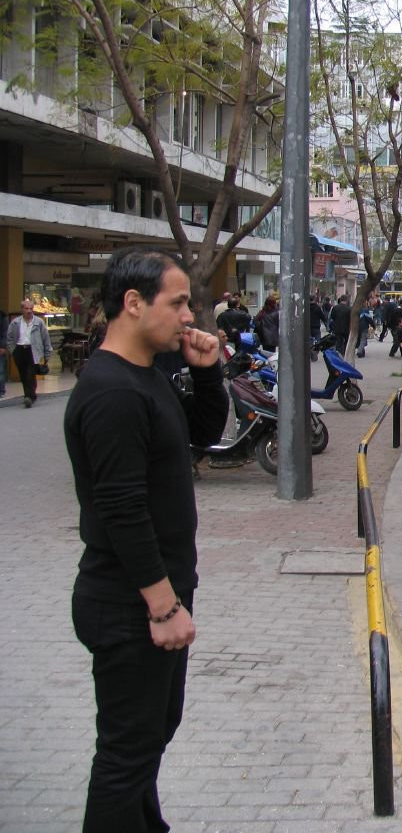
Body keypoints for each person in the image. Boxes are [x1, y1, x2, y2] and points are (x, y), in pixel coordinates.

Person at [64, 248, 228, 832]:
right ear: (133, 303)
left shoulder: (145, 376)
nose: (188, 316)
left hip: (153, 598)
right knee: (126, 754)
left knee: (149, 737)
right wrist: (163, 607)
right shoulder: (112, 392)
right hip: (129, 603)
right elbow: (122, 510)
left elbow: (200, 435)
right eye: (178, 303)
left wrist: (207, 372)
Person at [6, 297, 53, 408]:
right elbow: (10, 338)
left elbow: (45, 338)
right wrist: (13, 351)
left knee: (30, 373)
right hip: (20, 350)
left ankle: (29, 397)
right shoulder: (15, 323)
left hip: (34, 350)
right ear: (22, 309)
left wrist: (47, 354)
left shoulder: (39, 322)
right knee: (23, 374)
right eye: (26, 308)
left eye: (31, 308)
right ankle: (30, 395)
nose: (29, 311)